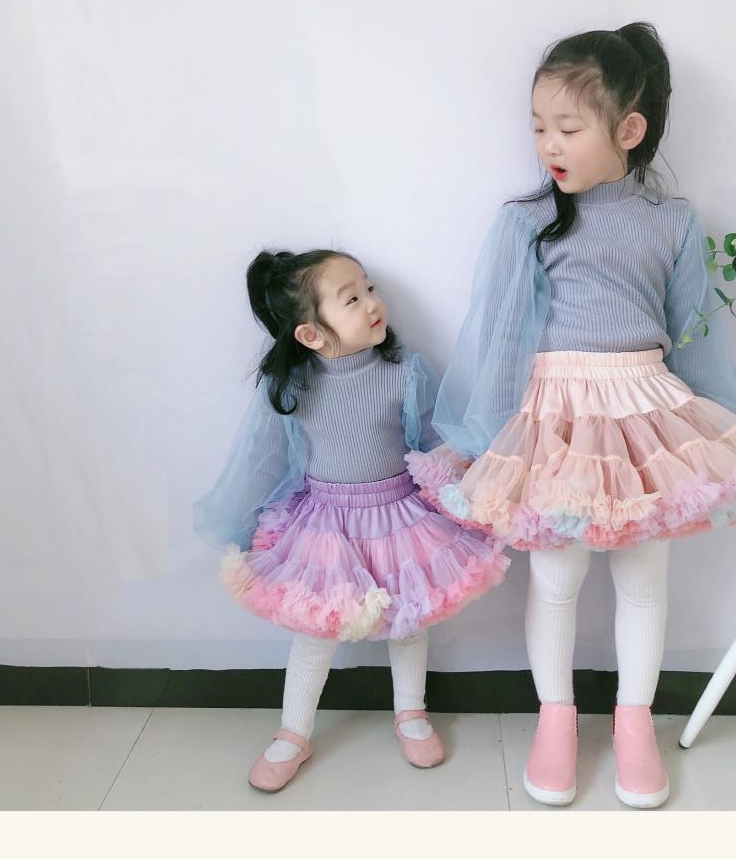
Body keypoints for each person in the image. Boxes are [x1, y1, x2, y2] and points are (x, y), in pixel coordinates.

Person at [407, 22, 736, 808]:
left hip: (644, 411)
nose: (547, 144)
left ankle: (633, 722)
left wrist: (718, 432)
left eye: (567, 127)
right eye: (538, 127)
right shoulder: (526, 222)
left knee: (643, 572)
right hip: (555, 415)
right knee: (556, 572)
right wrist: (486, 443)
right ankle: (556, 719)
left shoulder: (672, 221)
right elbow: (498, 341)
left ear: (628, 130)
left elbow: (693, 335)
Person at [196, 248, 509, 793]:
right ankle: (294, 731)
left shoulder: (404, 372)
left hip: (399, 517)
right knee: (314, 632)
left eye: (369, 289)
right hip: (324, 525)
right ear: (310, 334)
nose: (371, 303)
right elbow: (263, 458)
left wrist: (466, 485)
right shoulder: (293, 387)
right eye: (351, 298)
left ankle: (411, 712)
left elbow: (436, 437)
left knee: (409, 622)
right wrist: (243, 528)